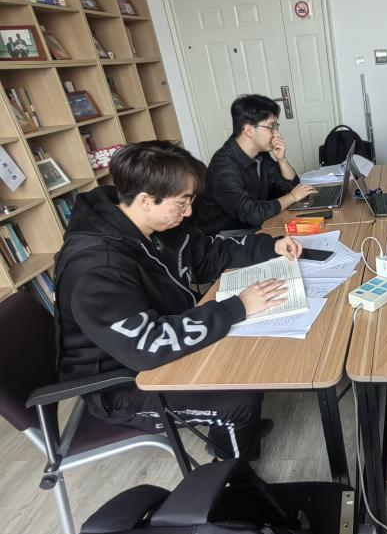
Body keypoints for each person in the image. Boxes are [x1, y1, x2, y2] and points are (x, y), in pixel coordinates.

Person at [55, 141, 303, 462]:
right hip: (125, 385)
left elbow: (209, 254)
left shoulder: (159, 222)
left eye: (190, 200)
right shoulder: (96, 267)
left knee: (248, 359)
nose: (188, 212)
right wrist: (237, 307)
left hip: (161, 348)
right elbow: (147, 346)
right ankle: (232, 479)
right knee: (238, 401)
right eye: (182, 202)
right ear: (146, 201)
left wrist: (271, 247)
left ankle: (236, 431)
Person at [192, 94, 316, 235]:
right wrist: (292, 197)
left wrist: (281, 160)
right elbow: (253, 214)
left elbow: (292, 187)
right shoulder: (223, 166)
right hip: (224, 235)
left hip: (254, 224)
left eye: (276, 127)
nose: (276, 133)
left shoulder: (260, 154)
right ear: (249, 130)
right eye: (271, 127)